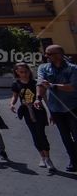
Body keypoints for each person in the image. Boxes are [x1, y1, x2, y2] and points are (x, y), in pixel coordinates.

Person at [36, 44, 77, 172]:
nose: (46, 56)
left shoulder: (73, 69)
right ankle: (73, 161)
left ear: (59, 55)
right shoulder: (43, 68)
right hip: (56, 108)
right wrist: (38, 98)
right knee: (65, 137)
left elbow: (73, 87)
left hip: (73, 107)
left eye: (49, 54)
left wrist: (52, 85)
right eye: (46, 53)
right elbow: (41, 84)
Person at [10, 62, 53, 171]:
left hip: (38, 110)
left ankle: (48, 158)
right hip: (26, 112)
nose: (24, 74)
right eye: (21, 72)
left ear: (29, 71)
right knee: (34, 135)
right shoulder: (16, 84)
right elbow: (15, 96)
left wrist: (51, 112)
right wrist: (12, 104)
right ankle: (42, 157)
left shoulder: (36, 83)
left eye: (26, 71)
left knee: (41, 134)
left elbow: (44, 98)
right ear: (17, 72)